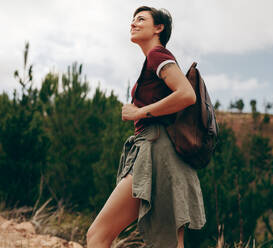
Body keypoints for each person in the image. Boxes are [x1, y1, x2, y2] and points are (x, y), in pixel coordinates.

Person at [87, 6, 206, 248]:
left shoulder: (157, 56)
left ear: (158, 28)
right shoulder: (154, 59)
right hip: (165, 154)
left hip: (157, 151)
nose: (133, 23)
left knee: (98, 234)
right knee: (171, 243)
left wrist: (139, 112)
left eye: (141, 19)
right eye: (132, 20)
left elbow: (186, 94)